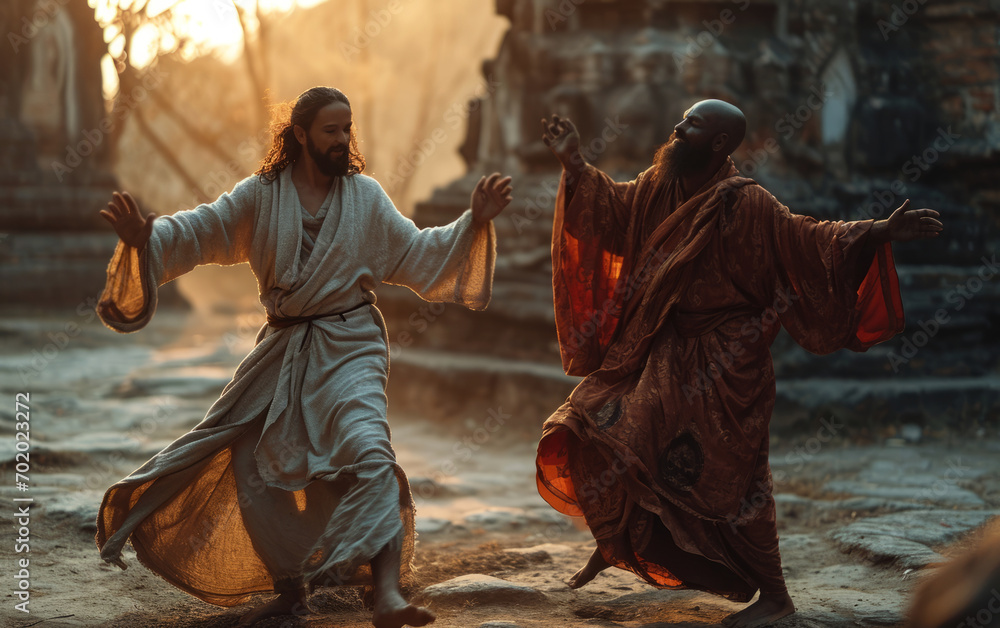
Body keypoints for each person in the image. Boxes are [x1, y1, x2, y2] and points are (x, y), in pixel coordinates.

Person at [95, 86, 513, 628]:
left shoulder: (366, 198)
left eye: (348, 130)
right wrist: (146, 237)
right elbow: (201, 229)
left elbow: (416, 253)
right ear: (299, 135)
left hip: (352, 345)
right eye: (331, 131)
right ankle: (290, 590)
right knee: (251, 463)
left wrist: (472, 222)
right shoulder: (261, 197)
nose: (343, 140)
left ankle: (386, 594)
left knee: (368, 451)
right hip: (284, 348)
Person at [534, 100, 943, 628]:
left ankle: (775, 597)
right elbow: (614, 210)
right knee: (591, 423)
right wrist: (573, 163)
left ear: (721, 143)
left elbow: (807, 238)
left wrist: (878, 232)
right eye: (681, 120)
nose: (677, 129)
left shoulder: (748, 204)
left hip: (727, 361)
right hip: (660, 348)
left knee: (738, 482)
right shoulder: (660, 186)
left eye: (693, 126)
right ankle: (626, 538)